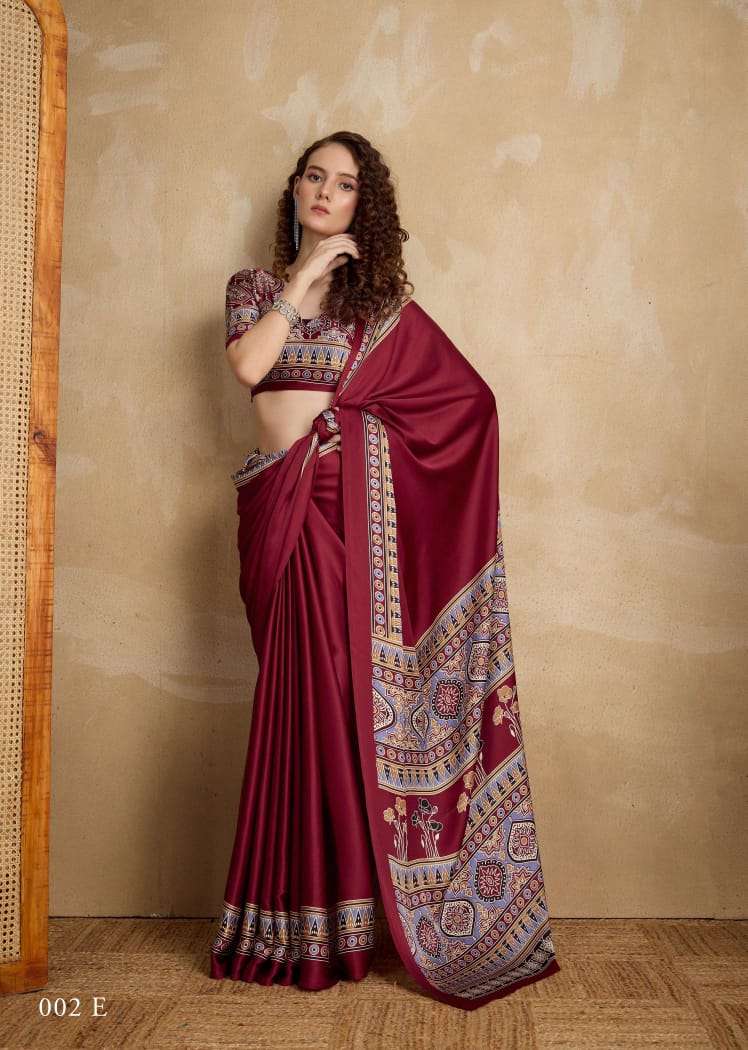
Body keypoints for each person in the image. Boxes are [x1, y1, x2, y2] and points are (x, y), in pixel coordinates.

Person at [209, 131, 560, 1010]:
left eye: (345, 185)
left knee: (339, 702)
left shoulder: (383, 312)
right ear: (295, 190)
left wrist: (351, 437)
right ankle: (296, 919)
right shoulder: (253, 290)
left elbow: (469, 405)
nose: (326, 192)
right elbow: (250, 366)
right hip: (278, 510)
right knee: (295, 705)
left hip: (348, 526)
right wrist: (302, 277)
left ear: (366, 207)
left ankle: (354, 923)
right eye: (315, 178)